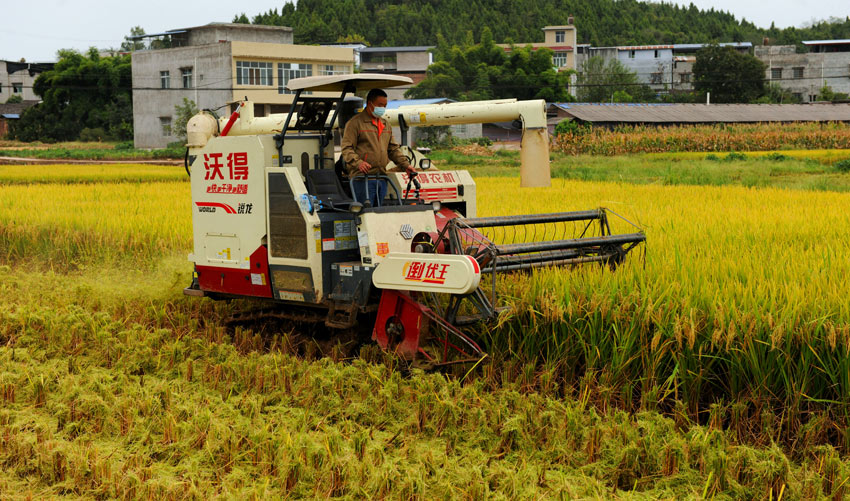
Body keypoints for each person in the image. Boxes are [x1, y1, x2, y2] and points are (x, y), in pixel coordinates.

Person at [341, 88, 416, 207]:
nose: (382, 108)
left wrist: (406, 165)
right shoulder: (355, 123)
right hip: (362, 179)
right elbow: (346, 148)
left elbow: (393, 149)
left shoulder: (386, 124)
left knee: (379, 215)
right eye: (380, 105)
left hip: (381, 178)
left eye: (384, 105)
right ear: (370, 103)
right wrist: (358, 162)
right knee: (365, 214)